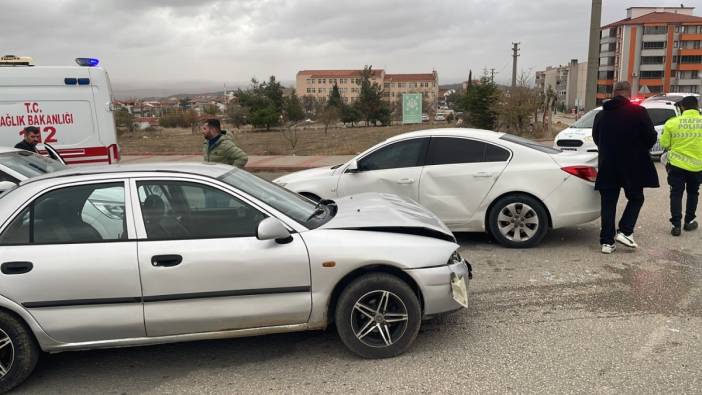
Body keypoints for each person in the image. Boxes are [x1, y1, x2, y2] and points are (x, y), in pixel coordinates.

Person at [592, 81, 659, 254]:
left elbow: (596, 138)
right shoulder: (639, 112)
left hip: (608, 165)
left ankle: (607, 242)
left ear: (614, 93)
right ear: (629, 94)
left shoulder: (601, 115)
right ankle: (625, 231)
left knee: (608, 203)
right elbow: (651, 137)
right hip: (633, 166)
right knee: (636, 198)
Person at [660, 95, 702, 236]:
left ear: (683, 107)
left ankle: (676, 225)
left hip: (677, 165)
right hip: (697, 166)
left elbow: (665, 144)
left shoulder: (672, 123)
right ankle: (689, 221)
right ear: (697, 106)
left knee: (676, 193)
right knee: (693, 192)